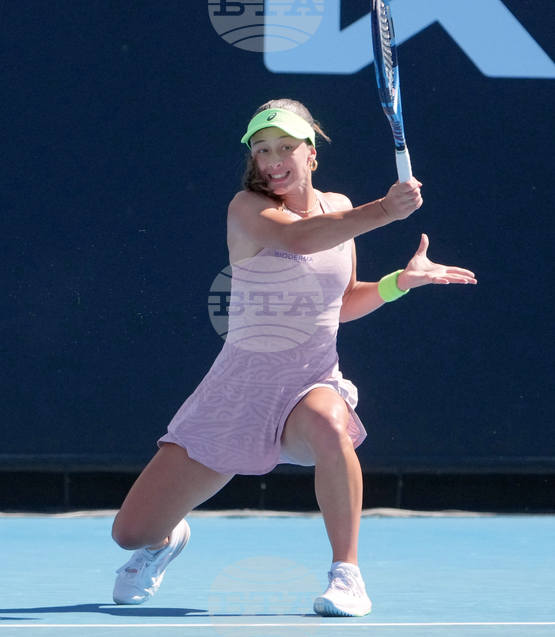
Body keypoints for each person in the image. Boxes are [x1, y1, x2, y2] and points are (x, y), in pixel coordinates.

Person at [110, 99, 476, 617]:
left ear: (311, 154)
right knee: (130, 533)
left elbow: (343, 302)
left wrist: (400, 283)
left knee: (330, 426)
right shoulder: (247, 208)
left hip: (310, 382)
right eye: (262, 150)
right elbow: (296, 240)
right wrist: (384, 211)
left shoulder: (338, 207)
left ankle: (346, 575)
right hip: (237, 392)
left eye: (285, 147)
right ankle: (164, 542)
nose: (273, 159)